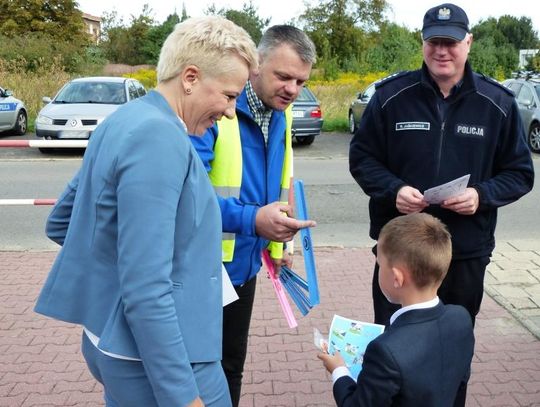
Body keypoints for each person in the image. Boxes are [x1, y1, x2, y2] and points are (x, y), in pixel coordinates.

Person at [34, 16, 258, 407]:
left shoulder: (124, 118)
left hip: (113, 338)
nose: (228, 111)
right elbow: (146, 286)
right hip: (164, 357)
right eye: (228, 95)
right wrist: (182, 396)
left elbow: (65, 221)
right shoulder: (160, 138)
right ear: (189, 77)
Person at [349, 3, 534, 328]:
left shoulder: (497, 104)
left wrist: (481, 195)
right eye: (434, 42)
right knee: (394, 345)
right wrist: (394, 190)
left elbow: (520, 173)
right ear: (422, 42)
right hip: (400, 253)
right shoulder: (391, 97)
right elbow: (362, 159)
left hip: (464, 253)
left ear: (468, 42)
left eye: (450, 42)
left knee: (454, 343)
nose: (442, 50)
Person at [190, 25, 317, 407]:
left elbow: (278, 179)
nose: (292, 89)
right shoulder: (216, 107)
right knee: (191, 370)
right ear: (256, 64)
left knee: (231, 365)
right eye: (284, 76)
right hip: (200, 269)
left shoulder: (282, 112)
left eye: (300, 81)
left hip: (243, 267)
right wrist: (253, 221)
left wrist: (278, 237)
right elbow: (185, 197)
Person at [318, 213, 475, 407]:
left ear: (396, 278)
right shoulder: (461, 318)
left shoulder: (385, 351)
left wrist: (338, 371)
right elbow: (460, 379)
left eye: (380, 264)